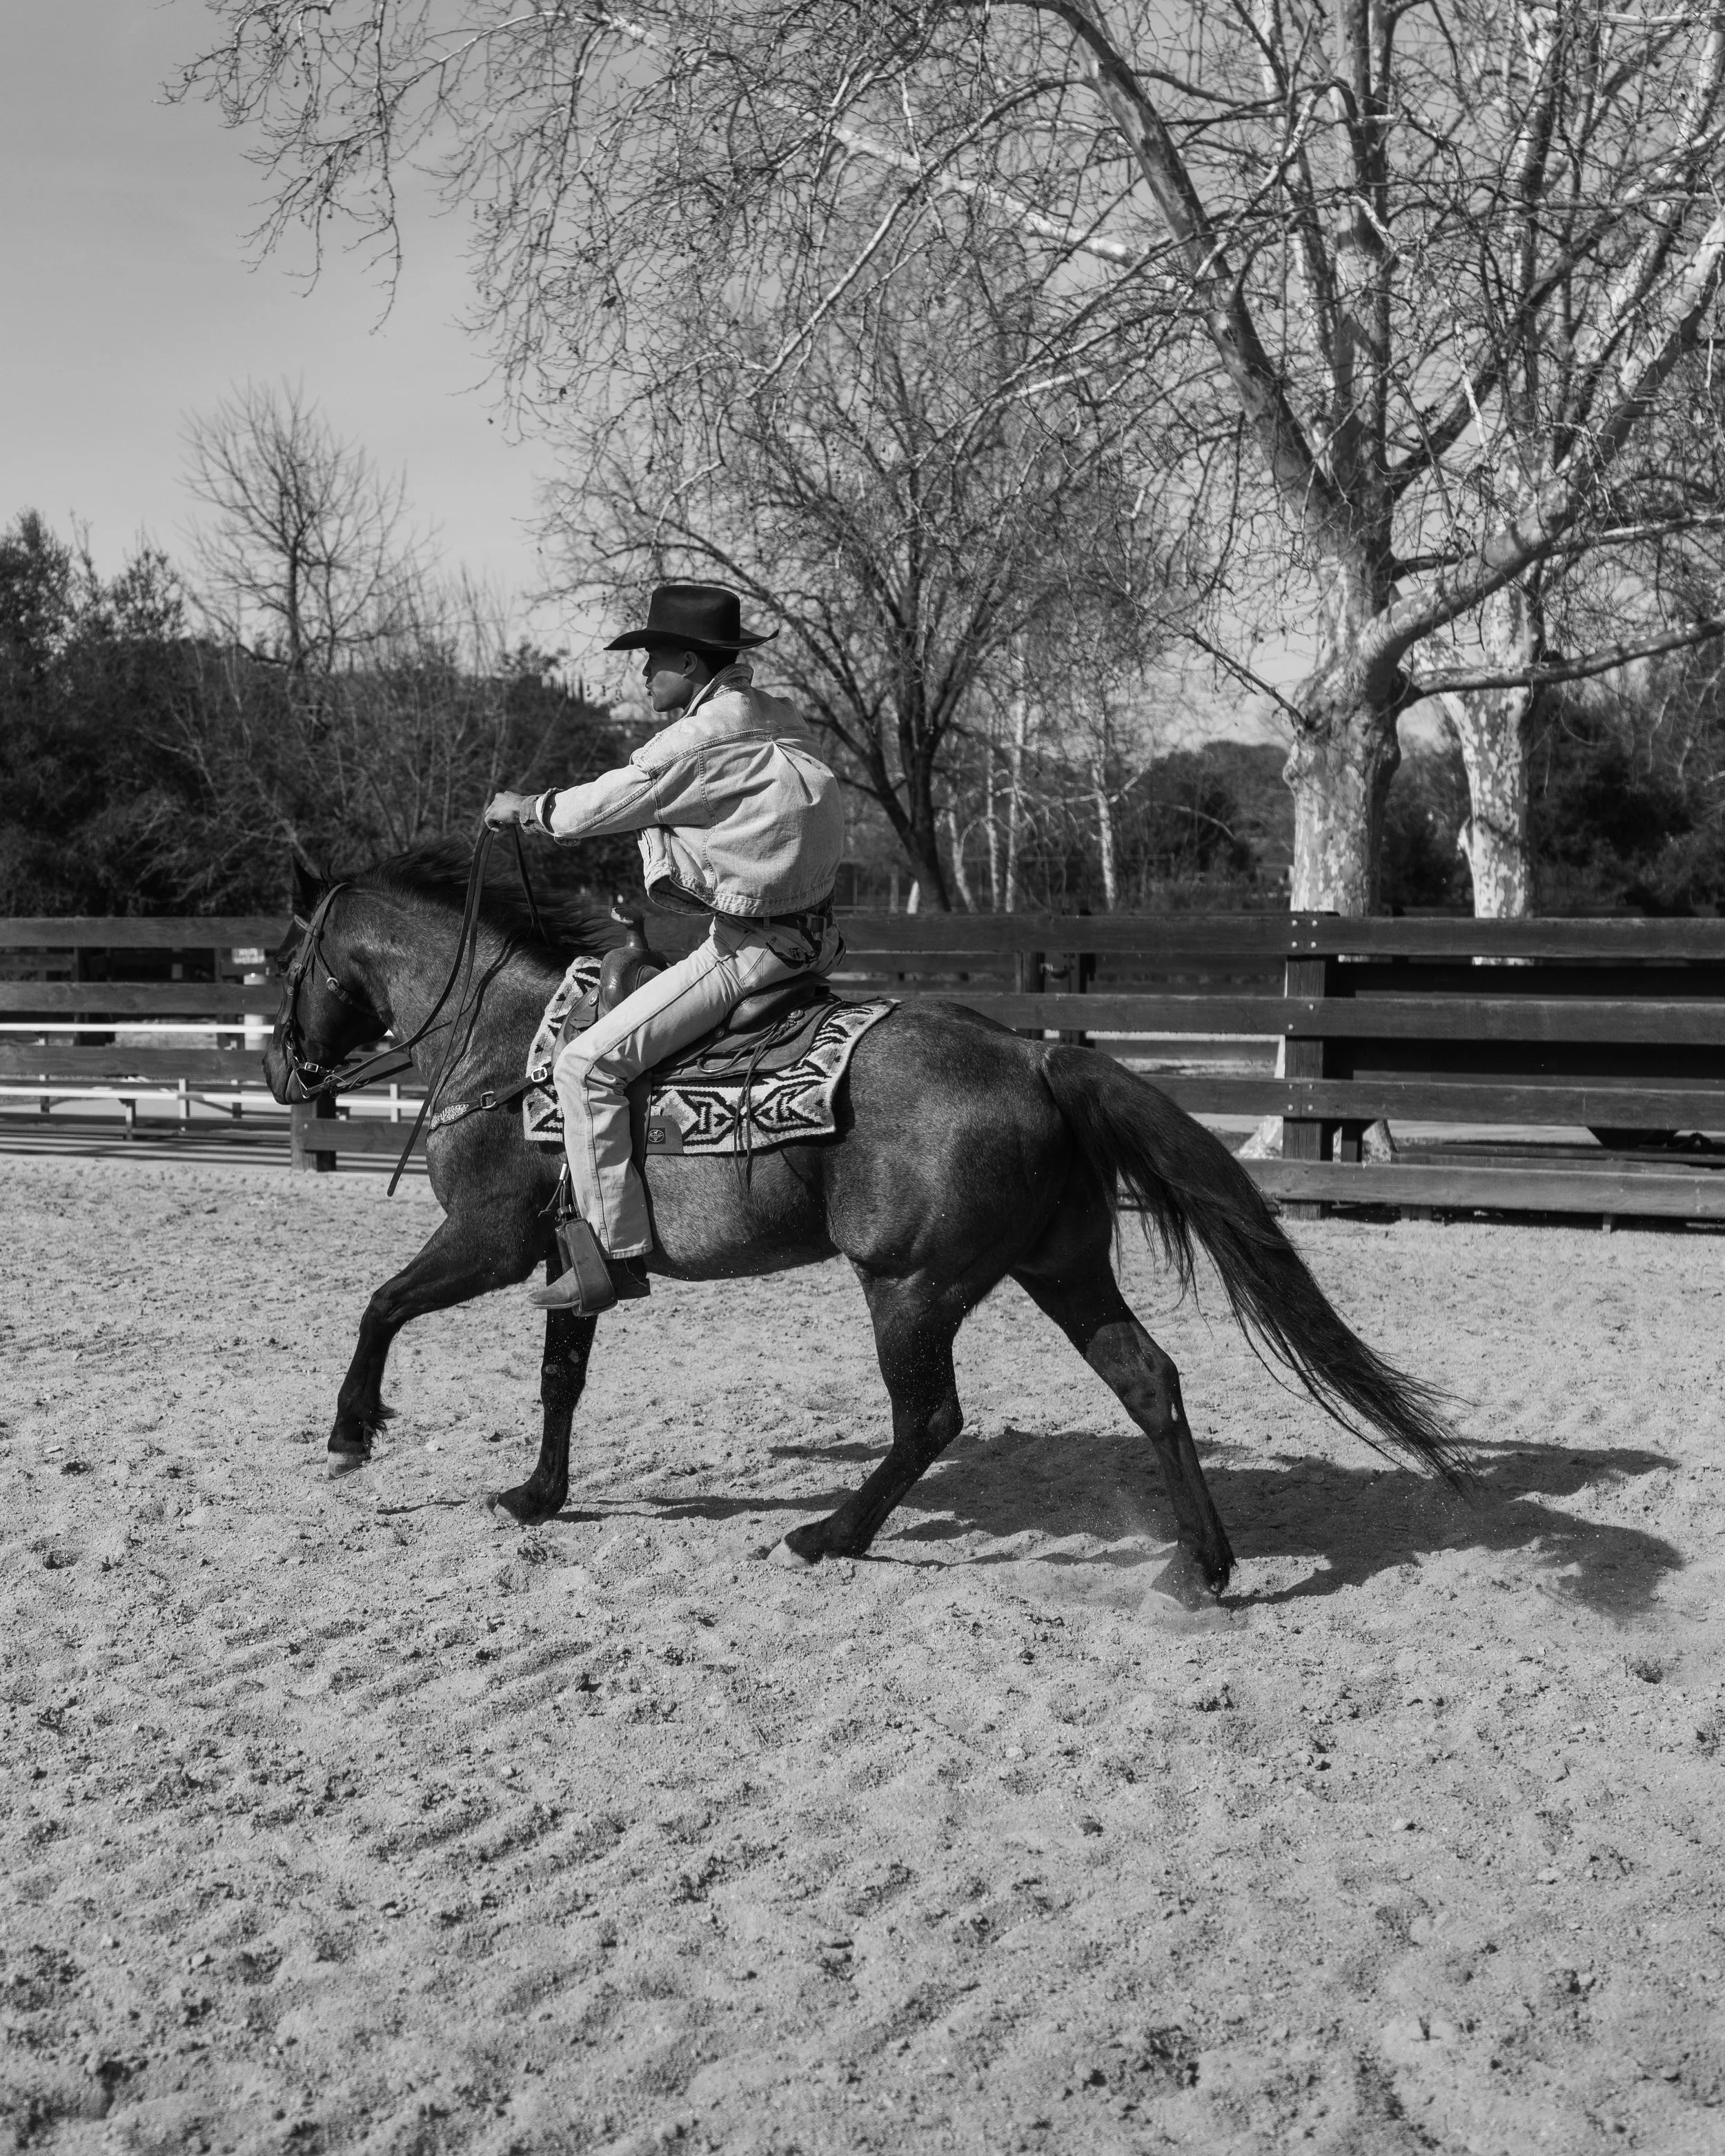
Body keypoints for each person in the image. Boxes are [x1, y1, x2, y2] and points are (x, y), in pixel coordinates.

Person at [484, 582, 845, 1312]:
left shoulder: (696, 738)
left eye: (651, 658)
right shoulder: (780, 717)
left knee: (585, 1065)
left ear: (687, 659)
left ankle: (611, 1257)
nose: (643, 672)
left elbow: (604, 802)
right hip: (814, 939)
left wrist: (528, 809)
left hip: (748, 950)